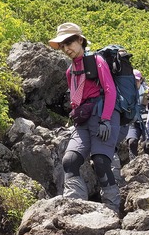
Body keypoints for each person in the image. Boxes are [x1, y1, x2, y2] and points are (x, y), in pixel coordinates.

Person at [48, 22, 121, 214]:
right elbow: (75, 99)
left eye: (69, 42)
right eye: (62, 45)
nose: (66, 48)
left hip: (103, 115)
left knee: (101, 161)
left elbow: (110, 91)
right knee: (70, 161)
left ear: (80, 40)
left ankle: (112, 210)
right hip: (82, 120)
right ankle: (75, 207)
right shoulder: (69, 71)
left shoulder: (97, 61)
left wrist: (106, 119)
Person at [125, 69, 149, 160]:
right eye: (133, 80)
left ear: (141, 80)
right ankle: (133, 163)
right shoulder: (125, 93)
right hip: (133, 123)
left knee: (147, 144)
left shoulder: (148, 92)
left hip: (146, 121)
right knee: (132, 142)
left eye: (137, 80)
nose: (135, 82)